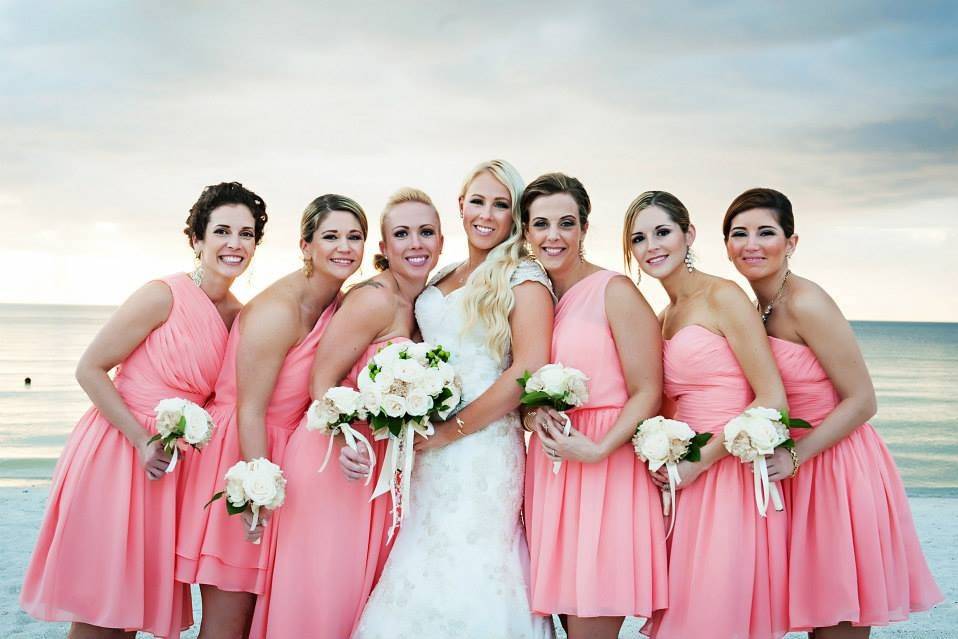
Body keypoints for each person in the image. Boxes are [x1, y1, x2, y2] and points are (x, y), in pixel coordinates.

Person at [21, 182, 266, 638]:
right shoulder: (163, 294)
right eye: (223, 230)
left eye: (247, 234)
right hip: (119, 450)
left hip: (169, 469)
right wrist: (139, 437)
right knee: (103, 612)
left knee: (130, 609)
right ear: (197, 238)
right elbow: (90, 369)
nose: (235, 244)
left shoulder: (242, 316)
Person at [348, 160, 555, 638]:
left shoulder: (523, 278)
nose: (486, 214)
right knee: (422, 546)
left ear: (515, 216)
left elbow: (525, 371)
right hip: (428, 452)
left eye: (500, 205)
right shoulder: (443, 275)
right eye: (477, 201)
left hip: (482, 449)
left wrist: (451, 431)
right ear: (460, 207)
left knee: (474, 555)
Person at [723, 187, 943, 639]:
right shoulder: (750, 308)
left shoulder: (806, 302)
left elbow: (863, 400)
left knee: (835, 616)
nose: (752, 244)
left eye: (766, 232)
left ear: (791, 241)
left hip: (835, 469)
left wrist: (796, 456)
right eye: (739, 233)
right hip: (790, 471)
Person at [251, 188, 443, 638]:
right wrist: (345, 441)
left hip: (374, 466)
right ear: (384, 248)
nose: (415, 244)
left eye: (426, 232)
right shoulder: (373, 298)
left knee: (359, 602)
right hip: (332, 460)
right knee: (323, 599)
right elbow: (322, 382)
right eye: (402, 234)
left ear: (440, 241)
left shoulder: (425, 302)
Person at [175, 194, 367, 638]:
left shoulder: (338, 304)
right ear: (306, 245)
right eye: (331, 236)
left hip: (285, 460)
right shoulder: (278, 311)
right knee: (227, 623)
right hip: (242, 455)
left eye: (354, 237)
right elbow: (249, 409)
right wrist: (255, 490)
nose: (344, 247)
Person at [626, 190, 789, 639]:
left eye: (662, 232)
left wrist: (704, 460)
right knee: (683, 611)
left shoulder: (724, 296)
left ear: (688, 235)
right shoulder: (662, 315)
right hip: (684, 478)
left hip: (726, 472)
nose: (652, 246)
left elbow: (772, 397)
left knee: (714, 614)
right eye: (639, 239)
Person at [521, 173, 666, 639]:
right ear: (525, 232)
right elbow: (523, 382)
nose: (553, 236)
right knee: (564, 620)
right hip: (551, 472)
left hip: (606, 469)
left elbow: (649, 390)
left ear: (584, 227)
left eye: (566, 222)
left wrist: (599, 448)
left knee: (592, 627)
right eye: (541, 224)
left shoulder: (614, 290)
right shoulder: (532, 297)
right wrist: (532, 413)